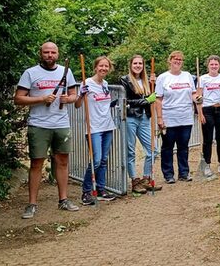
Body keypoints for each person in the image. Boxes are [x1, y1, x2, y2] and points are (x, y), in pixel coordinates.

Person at [14, 42, 81, 219]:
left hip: (61, 123)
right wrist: (41, 98)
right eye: (46, 52)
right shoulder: (30, 73)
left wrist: (68, 99)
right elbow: (18, 99)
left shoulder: (66, 72)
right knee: (36, 163)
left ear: (58, 54)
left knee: (62, 161)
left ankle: (63, 200)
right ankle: (32, 204)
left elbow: (74, 95)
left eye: (53, 52)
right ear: (41, 53)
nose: (50, 55)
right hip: (39, 124)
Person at [76, 56, 118, 205]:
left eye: (106, 66)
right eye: (101, 66)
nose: (103, 69)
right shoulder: (87, 83)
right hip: (94, 127)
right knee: (97, 159)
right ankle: (87, 191)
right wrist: (81, 94)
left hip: (107, 125)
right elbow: (77, 105)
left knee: (104, 160)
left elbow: (104, 104)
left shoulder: (105, 84)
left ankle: (101, 189)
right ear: (95, 67)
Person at [155, 51, 197, 184]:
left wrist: (198, 98)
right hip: (169, 117)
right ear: (170, 60)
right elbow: (158, 99)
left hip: (185, 117)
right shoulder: (163, 77)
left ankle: (184, 173)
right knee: (167, 147)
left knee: (183, 146)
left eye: (180, 59)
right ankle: (168, 174)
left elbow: (193, 93)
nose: (178, 61)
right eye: (175, 59)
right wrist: (160, 118)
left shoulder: (187, 76)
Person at [120, 55, 160, 194]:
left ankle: (146, 178)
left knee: (153, 150)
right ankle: (134, 181)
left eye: (140, 63)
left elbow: (152, 96)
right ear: (131, 65)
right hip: (131, 117)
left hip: (144, 118)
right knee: (131, 151)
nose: (138, 65)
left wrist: (153, 87)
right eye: (135, 63)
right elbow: (126, 101)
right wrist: (146, 101)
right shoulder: (125, 80)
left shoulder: (146, 81)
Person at [198, 55, 220, 178]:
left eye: (216, 64)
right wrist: (200, 113)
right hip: (207, 110)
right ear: (208, 65)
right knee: (208, 139)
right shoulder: (202, 78)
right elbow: (198, 97)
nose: (214, 66)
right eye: (211, 64)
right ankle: (207, 165)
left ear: (219, 65)